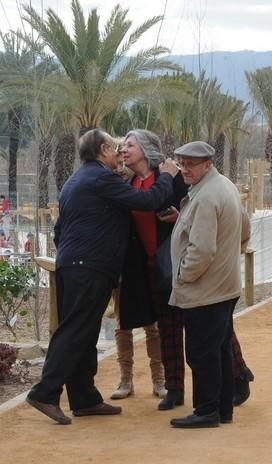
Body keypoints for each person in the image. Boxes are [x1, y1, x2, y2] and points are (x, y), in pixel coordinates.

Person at [26, 128, 179, 425]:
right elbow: (148, 201)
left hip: (75, 264)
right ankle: (45, 393)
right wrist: (168, 176)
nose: (120, 151)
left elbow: (60, 230)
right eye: (115, 146)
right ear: (102, 149)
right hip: (89, 266)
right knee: (75, 330)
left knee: (82, 330)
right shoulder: (101, 178)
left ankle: (84, 398)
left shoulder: (77, 179)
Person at [168, 141, 250, 429]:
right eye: (182, 163)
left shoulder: (205, 197)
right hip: (224, 286)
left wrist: (182, 276)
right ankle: (222, 408)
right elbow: (245, 227)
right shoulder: (224, 185)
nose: (185, 169)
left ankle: (206, 410)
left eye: (192, 164)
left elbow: (201, 251)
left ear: (207, 164)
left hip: (205, 290)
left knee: (202, 353)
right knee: (219, 350)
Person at [109, 129, 188, 407]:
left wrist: (180, 217)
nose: (124, 150)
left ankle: (160, 380)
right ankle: (125, 380)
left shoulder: (170, 176)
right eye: (122, 146)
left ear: (146, 149)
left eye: (130, 145)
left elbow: (190, 208)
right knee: (123, 321)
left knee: (159, 325)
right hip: (133, 265)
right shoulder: (125, 182)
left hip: (167, 266)